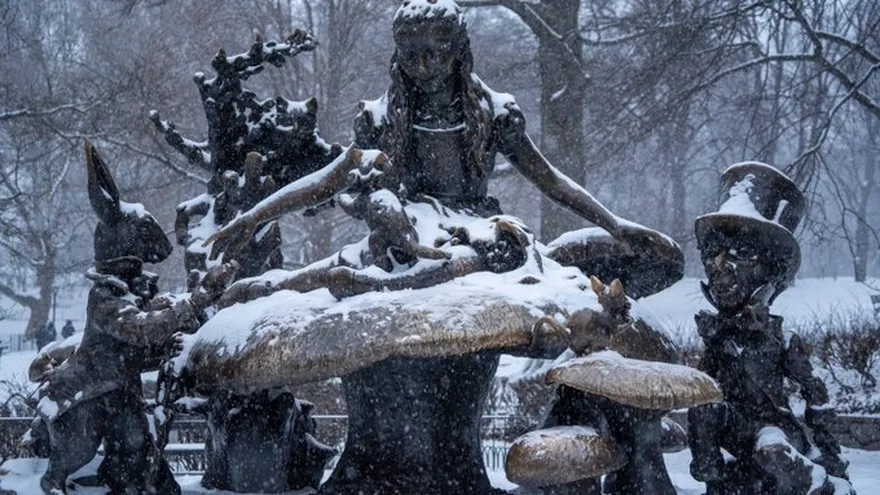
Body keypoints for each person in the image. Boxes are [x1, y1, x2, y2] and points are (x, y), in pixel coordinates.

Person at [33, 140, 236, 495]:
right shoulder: (105, 297)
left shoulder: (130, 291)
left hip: (120, 393)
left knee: (139, 456)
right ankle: (49, 485)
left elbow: (152, 326)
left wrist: (189, 311)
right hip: (90, 393)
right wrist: (196, 301)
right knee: (78, 451)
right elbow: (141, 330)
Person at [687, 162, 852, 495]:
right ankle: (717, 477)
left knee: (770, 447)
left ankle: (814, 479)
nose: (720, 267)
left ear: (770, 270)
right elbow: (703, 395)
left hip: (775, 433)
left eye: (743, 252)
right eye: (712, 252)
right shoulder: (716, 336)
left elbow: (813, 390)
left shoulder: (780, 339)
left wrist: (829, 457)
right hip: (734, 437)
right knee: (704, 406)